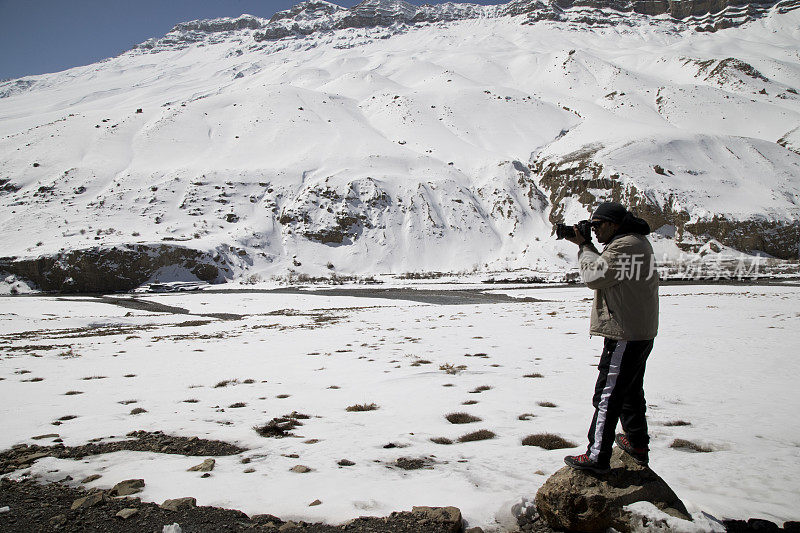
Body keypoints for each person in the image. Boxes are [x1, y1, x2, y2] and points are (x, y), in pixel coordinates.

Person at [562, 201, 659, 474]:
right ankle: (637, 444)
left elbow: (594, 276)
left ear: (613, 225)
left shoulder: (625, 246)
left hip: (625, 333)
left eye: (597, 225)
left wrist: (584, 246)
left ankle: (597, 456)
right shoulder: (635, 242)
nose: (594, 230)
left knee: (607, 394)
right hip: (638, 330)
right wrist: (589, 245)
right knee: (629, 392)